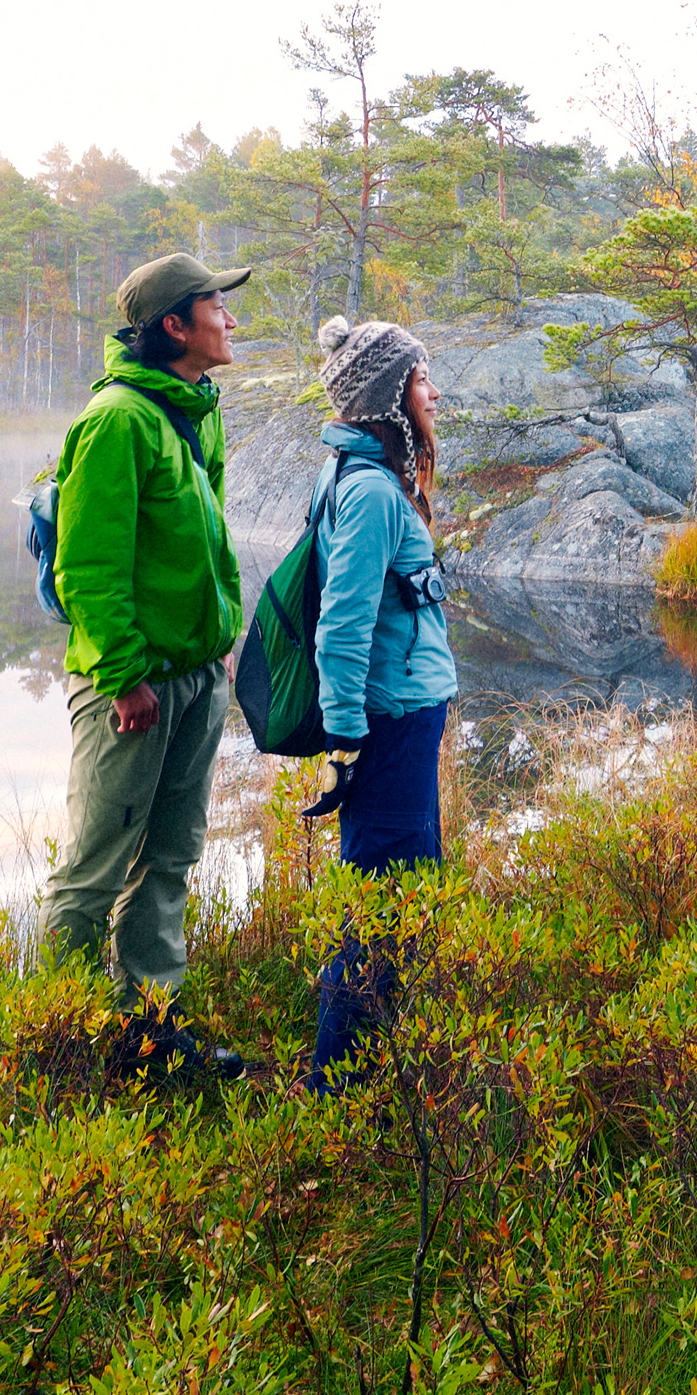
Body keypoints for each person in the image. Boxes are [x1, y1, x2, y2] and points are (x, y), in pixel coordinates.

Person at [43, 252, 252, 1079]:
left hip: (196, 676)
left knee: (169, 857)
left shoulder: (199, 411)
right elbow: (87, 567)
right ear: (174, 324)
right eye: (216, 306)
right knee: (94, 870)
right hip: (128, 686)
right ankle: (59, 1045)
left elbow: (208, 542)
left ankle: (151, 1035)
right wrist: (125, 677)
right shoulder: (117, 421)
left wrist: (218, 642)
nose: (230, 320)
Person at [302, 315, 458, 1091]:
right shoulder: (367, 491)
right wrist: (345, 743)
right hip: (389, 724)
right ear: (391, 394)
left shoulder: (371, 479)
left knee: (398, 899)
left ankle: (369, 1077)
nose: (434, 392)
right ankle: (339, 1092)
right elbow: (342, 626)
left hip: (403, 716)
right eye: (422, 378)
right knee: (381, 909)